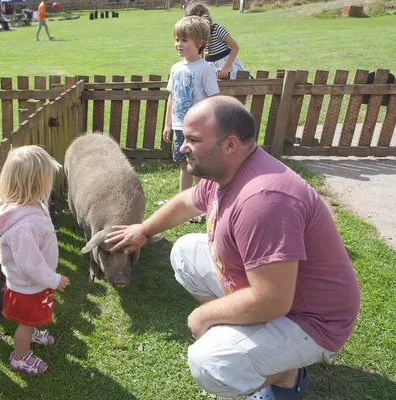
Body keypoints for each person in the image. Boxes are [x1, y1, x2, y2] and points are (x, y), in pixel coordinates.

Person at [105, 96, 360, 399]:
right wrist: (144, 230)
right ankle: (254, 343)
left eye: (193, 139)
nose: (182, 147)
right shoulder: (227, 170)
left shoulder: (263, 200)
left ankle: (285, 373)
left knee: (209, 363)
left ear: (229, 145)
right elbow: (188, 202)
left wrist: (206, 316)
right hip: (281, 298)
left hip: (311, 320)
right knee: (185, 252)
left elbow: (273, 300)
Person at [0, 145, 70, 375]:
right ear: (35, 184)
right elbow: (29, 264)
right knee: (25, 322)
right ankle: (20, 357)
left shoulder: (27, 206)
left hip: (31, 283)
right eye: (47, 179)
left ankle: (32, 332)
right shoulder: (25, 225)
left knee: (30, 318)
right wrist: (54, 279)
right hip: (28, 286)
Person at [165, 16, 219, 199]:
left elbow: (214, 99)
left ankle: (202, 200)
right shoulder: (175, 68)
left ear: (200, 43)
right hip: (180, 127)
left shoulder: (205, 69)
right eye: (177, 39)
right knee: (183, 165)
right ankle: (184, 201)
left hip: (198, 129)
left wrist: (212, 126)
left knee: (199, 165)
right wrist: (168, 125)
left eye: (184, 40)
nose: (178, 44)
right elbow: (171, 97)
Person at [185, 1, 247, 80]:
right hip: (212, 68)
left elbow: (235, 47)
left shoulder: (217, 29)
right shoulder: (199, 37)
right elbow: (200, 55)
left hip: (228, 67)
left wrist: (226, 68)